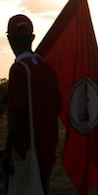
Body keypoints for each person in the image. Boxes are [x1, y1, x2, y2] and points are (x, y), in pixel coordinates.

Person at [1, 14, 61, 194]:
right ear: (33, 37)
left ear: (9, 39)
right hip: (47, 147)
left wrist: (8, 151)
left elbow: (18, 114)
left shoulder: (19, 69)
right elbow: (56, 106)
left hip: (25, 151)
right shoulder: (47, 67)